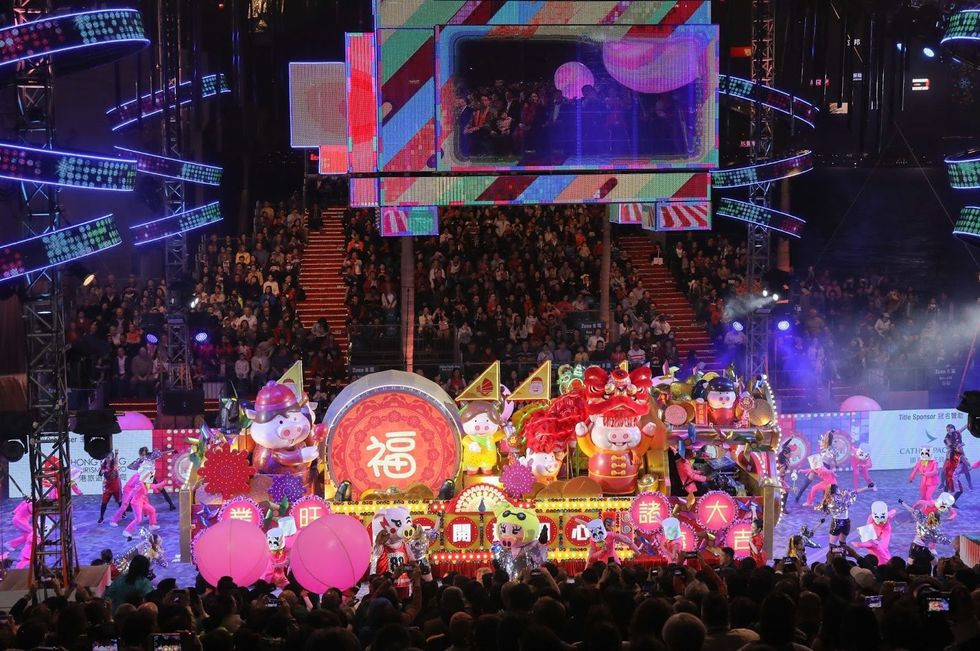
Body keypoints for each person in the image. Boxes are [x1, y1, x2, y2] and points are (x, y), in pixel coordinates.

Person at [128, 446, 175, 510]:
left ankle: (171, 504)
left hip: (150, 476)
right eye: (143, 451)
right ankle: (131, 506)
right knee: (138, 491)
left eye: (145, 451)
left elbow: (162, 453)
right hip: (144, 477)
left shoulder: (151, 456)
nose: (144, 453)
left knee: (161, 490)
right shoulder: (141, 459)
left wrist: (172, 451)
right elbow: (131, 466)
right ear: (141, 452)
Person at [944, 422, 971, 494]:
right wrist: (958, 446)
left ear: (953, 429)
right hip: (953, 454)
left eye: (950, 429)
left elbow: (964, 427)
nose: (949, 431)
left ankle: (969, 484)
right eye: (947, 430)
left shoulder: (957, 432)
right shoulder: (947, 437)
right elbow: (949, 446)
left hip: (959, 453)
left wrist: (970, 422)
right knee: (946, 471)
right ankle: (947, 486)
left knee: (966, 470)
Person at [98, 449, 122, 524]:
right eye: (106, 457)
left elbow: (116, 461)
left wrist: (116, 454)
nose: (107, 459)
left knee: (119, 501)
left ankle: (123, 513)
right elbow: (100, 474)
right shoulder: (103, 464)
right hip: (107, 486)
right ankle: (101, 517)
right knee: (104, 502)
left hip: (115, 486)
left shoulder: (114, 464)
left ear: (112, 458)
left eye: (109, 457)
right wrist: (102, 471)